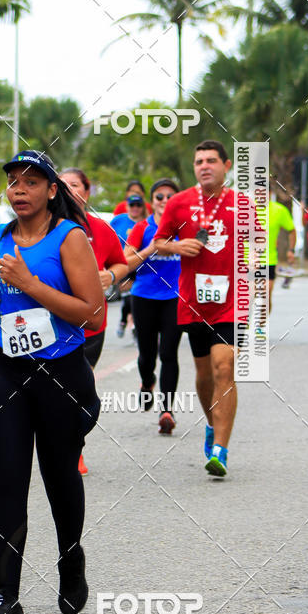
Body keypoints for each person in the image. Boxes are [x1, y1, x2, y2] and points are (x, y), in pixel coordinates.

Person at [0, 151, 104, 614]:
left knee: (59, 475)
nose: (19, 190)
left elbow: (92, 311)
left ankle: (70, 557)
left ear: (52, 191)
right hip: (4, 369)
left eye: (31, 182)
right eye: (13, 182)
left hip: (60, 373)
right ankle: (6, 597)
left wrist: (29, 282)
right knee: (7, 478)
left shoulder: (70, 238)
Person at [154, 140, 246, 477]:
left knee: (225, 367)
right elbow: (159, 242)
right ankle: (211, 424)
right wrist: (177, 247)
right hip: (193, 303)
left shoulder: (243, 204)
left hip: (230, 303)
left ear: (226, 165)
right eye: (199, 162)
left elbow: (258, 248)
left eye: (211, 160)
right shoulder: (179, 203)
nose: (204, 166)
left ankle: (220, 449)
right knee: (205, 376)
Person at [60, 167, 128, 474]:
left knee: (80, 390)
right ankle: (60, 444)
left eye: (74, 185)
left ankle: (74, 447)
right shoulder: (42, 226)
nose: (68, 190)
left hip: (90, 326)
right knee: (56, 390)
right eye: (62, 185)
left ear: (87, 193)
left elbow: (121, 263)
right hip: (51, 325)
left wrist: (110, 276)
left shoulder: (100, 228)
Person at [124, 179, 182, 435]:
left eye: (170, 196)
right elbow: (126, 261)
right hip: (144, 297)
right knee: (147, 355)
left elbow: (201, 249)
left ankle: (166, 410)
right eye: (159, 196)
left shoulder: (185, 227)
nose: (165, 201)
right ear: (152, 201)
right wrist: (152, 248)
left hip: (175, 298)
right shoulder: (142, 228)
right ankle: (147, 382)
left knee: (168, 353)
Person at [111, 195, 146, 338]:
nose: (135, 208)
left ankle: (132, 324)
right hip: (122, 264)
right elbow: (108, 237)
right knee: (127, 298)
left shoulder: (145, 223)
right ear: (127, 206)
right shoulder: (118, 220)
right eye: (132, 205)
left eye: (138, 205)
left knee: (136, 297)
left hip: (140, 264)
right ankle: (124, 321)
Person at [268, 198, 296, 313]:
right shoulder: (245, 208)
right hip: (247, 260)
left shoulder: (279, 210)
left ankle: (262, 323)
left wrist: (291, 250)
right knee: (249, 296)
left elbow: (291, 230)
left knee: (266, 295)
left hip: (269, 260)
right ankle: (246, 321)